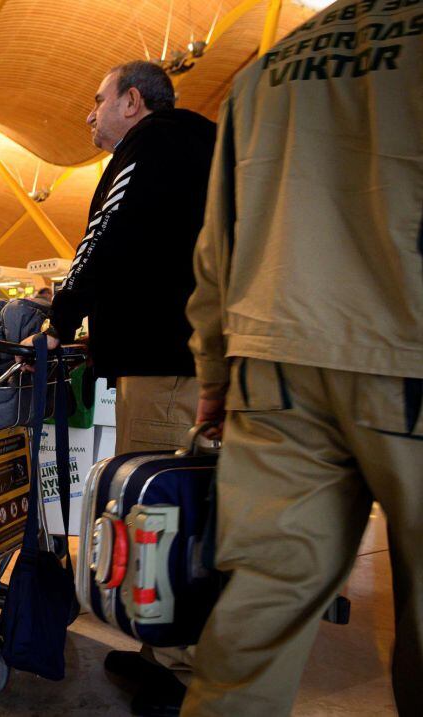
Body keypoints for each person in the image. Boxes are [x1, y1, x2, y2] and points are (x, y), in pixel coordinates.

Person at [182, 2, 422, 715]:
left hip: (276, 367)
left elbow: (217, 239)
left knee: (254, 618)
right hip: (407, 346)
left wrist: (214, 372)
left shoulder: (270, 68)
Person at [25, 60, 216, 715]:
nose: (89, 113)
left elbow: (102, 238)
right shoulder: (196, 147)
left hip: (166, 363)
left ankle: (184, 673)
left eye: (97, 99)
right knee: (181, 509)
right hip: (192, 357)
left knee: (169, 513)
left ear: (132, 102)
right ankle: (158, 650)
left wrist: (59, 321)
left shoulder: (150, 144)